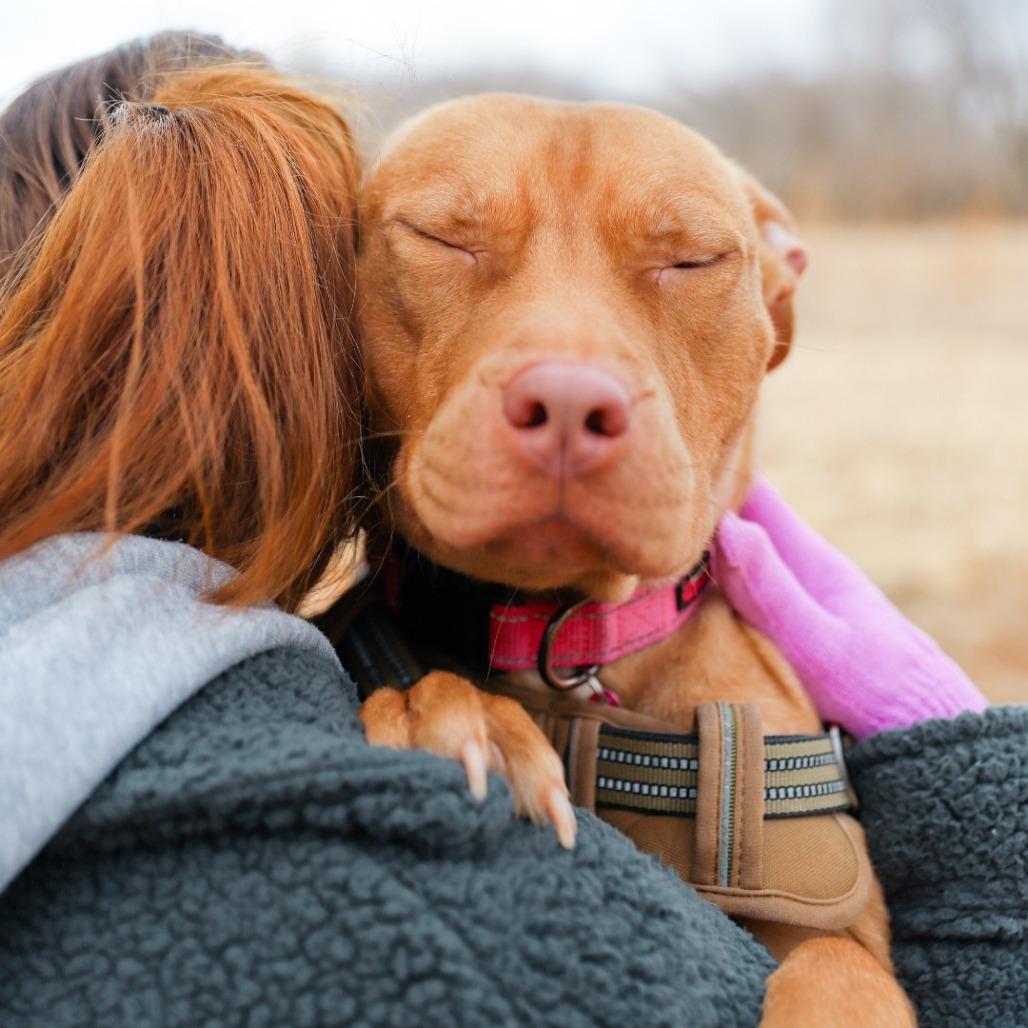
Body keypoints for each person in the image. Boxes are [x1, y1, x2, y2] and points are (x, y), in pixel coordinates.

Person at [1, 38, 1024, 1028]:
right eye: (448, 241)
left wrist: (839, 967)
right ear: (326, 311)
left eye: (686, 261)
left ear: (773, 303)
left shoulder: (775, 723)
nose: (568, 374)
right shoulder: (288, 675)